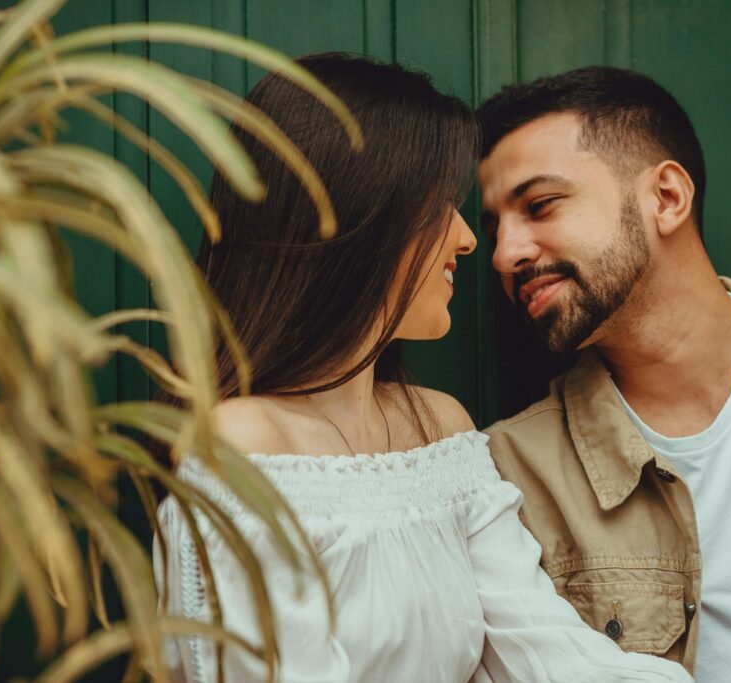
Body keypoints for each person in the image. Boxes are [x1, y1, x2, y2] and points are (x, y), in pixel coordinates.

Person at [154, 54, 691, 683]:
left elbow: (546, 651)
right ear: (363, 215)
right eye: (440, 207)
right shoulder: (241, 443)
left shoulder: (438, 427)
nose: (470, 240)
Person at [478, 65, 731, 681]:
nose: (505, 254)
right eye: (494, 228)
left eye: (540, 205)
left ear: (666, 198)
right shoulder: (513, 472)